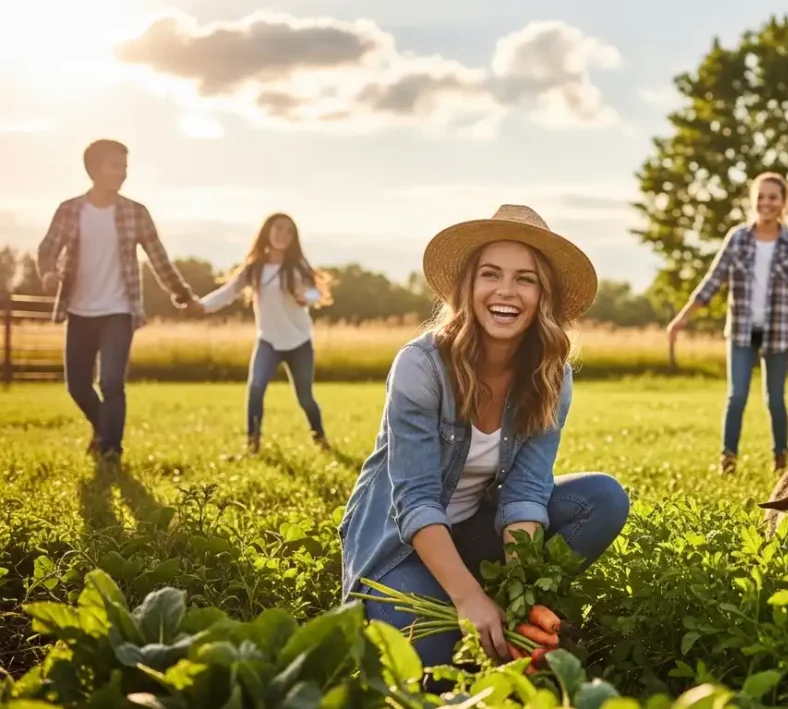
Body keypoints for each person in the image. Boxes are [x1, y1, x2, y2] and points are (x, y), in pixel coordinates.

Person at [339, 204, 630, 668]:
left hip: (476, 530)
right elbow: (415, 501)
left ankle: (513, 616)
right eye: (490, 274)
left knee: (603, 498)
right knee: (436, 673)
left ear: (543, 296)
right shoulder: (420, 366)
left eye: (525, 279)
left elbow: (526, 493)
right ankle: (461, 599)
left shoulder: (552, 376)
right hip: (399, 542)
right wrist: (469, 599)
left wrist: (520, 602)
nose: (506, 292)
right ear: (468, 287)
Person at [36, 139, 199, 463]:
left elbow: (159, 259)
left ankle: (111, 450)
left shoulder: (135, 212)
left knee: (111, 381)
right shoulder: (70, 210)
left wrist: (182, 294)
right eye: (116, 166)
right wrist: (48, 274)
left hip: (119, 310)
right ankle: (103, 429)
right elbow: (46, 250)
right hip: (79, 310)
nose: (123, 173)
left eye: (125, 166)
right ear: (94, 169)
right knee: (78, 386)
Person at [667, 172, 788, 475]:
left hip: (778, 332)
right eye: (760, 197)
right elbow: (713, 281)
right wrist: (682, 318)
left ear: (784, 203)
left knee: (775, 399)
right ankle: (728, 460)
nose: (766, 203)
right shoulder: (737, 239)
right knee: (736, 397)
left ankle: (780, 460)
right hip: (741, 331)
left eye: (773, 197)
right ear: (753, 200)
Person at [197, 213, 333, 454]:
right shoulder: (255, 268)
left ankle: (320, 438)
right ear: (267, 233)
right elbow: (228, 292)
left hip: (298, 341)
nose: (283, 235)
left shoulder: (297, 267)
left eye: (289, 232)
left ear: (293, 238)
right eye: (278, 229)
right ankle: (252, 444)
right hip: (268, 340)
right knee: (256, 388)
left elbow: (317, 294)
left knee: (305, 398)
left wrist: (305, 297)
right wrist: (201, 306)